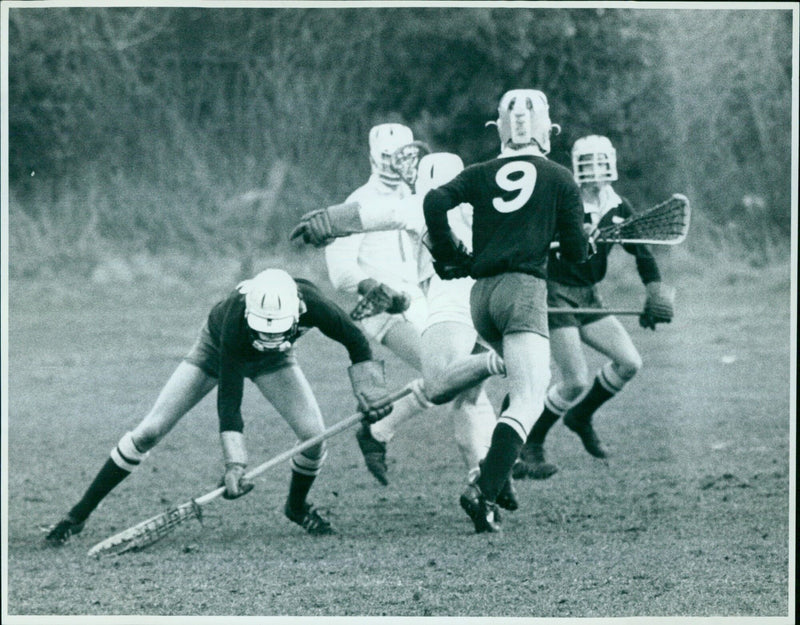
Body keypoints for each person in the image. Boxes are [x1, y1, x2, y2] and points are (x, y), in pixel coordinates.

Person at [45, 269, 393, 544]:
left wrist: (371, 392)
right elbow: (230, 399)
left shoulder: (315, 306)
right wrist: (235, 464)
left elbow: (357, 343)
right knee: (150, 431)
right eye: (263, 331)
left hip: (277, 363)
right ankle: (78, 515)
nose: (268, 338)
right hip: (216, 353)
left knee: (314, 438)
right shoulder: (235, 319)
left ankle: (297, 507)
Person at [291, 152, 513, 510]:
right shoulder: (414, 203)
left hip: (457, 302)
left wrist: (326, 219)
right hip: (425, 307)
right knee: (450, 381)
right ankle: (480, 470)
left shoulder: (438, 204)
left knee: (469, 391)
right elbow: (354, 244)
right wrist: (331, 225)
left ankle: (484, 478)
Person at [423, 89, 589, 532]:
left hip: (481, 297)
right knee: (533, 395)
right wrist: (583, 242)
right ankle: (485, 487)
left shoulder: (479, 173)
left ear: (499, 128)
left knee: (521, 385)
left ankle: (495, 473)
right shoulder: (558, 177)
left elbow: (434, 201)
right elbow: (575, 256)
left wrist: (448, 250)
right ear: (545, 131)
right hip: (522, 292)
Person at [512, 135, 675, 480]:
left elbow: (641, 252)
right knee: (574, 380)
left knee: (630, 362)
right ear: (576, 167)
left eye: (602, 162)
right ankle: (533, 442)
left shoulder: (619, 207)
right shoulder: (562, 201)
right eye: (588, 163)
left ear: (611, 164)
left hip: (589, 294)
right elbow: (535, 244)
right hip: (556, 293)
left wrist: (654, 289)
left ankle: (580, 416)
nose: (596, 171)